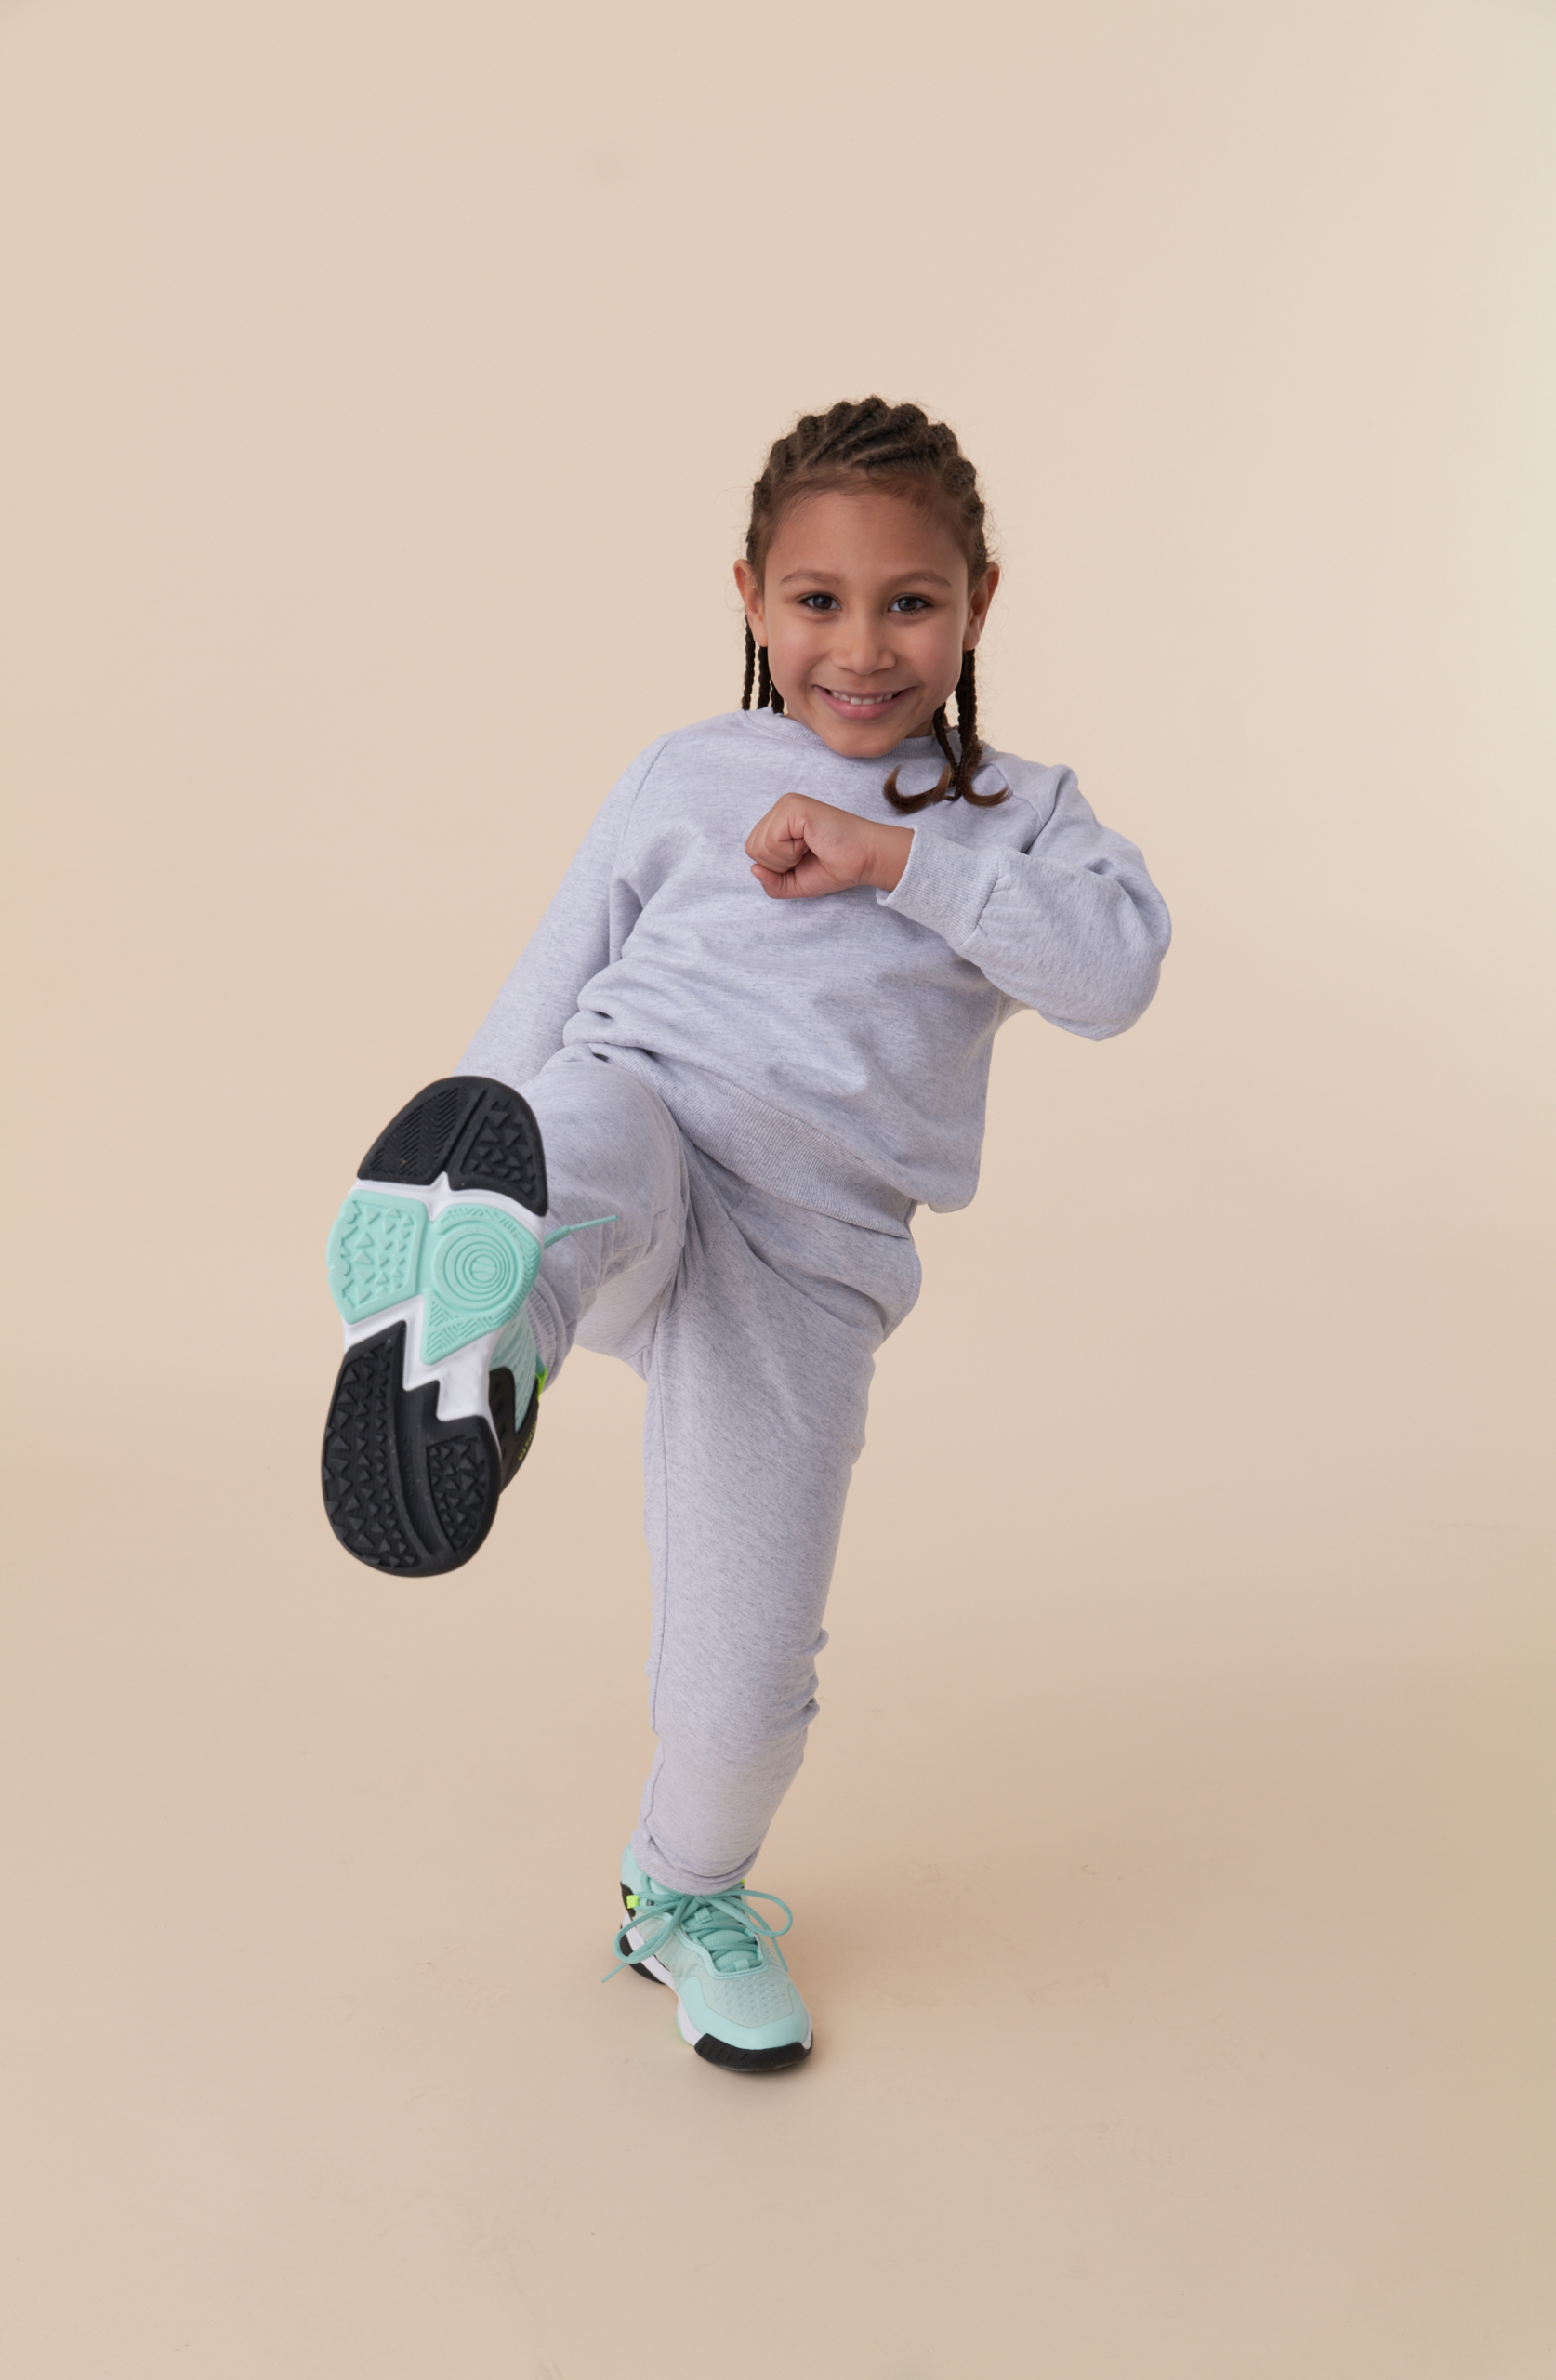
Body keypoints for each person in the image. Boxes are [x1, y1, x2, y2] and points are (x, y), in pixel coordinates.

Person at [319, 397, 1171, 2072]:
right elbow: (552, 983)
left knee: (744, 1688)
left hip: (808, 1260)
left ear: (980, 603)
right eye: (817, 601)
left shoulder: (1020, 817)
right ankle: (478, 1314)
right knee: (573, 1139)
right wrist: (460, 1142)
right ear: (751, 598)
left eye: (910, 602)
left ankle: (681, 1891)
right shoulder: (685, 771)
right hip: (642, 1129)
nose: (861, 647)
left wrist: (901, 858)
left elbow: (1116, 974)